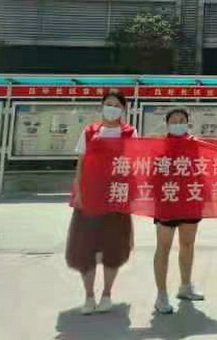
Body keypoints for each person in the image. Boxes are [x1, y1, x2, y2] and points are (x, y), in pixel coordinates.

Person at [66, 89, 137, 315]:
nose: (112, 109)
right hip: (90, 196)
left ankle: (107, 294)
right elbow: (81, 164)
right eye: (109, 104)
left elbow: (135, 162)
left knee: (113, 247)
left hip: (117, 197)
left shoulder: (130, 133)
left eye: (117, 105)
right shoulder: (89, 132)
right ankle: (89, 296)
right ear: (102, 106)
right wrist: (78, 192)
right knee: (86, 247)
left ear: (123, 109)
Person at [152, 108, 204, 315]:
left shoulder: (195, 144)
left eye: (182, 120)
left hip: (190, 199)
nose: (178, 124)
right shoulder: (159, 146)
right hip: (167, 201)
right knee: (163, 247)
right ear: (167, 125)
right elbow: (152, 174)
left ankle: (185, 286)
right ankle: (161, 294)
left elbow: (201, 169)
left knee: (187, 244)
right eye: (174, 121)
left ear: (188, 123)